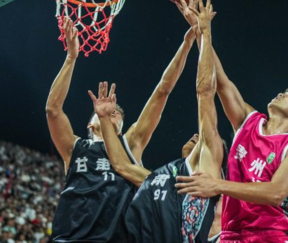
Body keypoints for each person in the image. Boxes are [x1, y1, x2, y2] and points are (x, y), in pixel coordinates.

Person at [174, 0, 288, 242]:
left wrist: (217, 185)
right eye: (285, 90)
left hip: (271, 236)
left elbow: (275, 193)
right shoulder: (249, 121)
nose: (282, 93)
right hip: (231, 235)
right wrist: (203, 31)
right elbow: (219, 78)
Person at [45, 14, 197, 242]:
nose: (115, 111)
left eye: (119, 115)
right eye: (110, 112)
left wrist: (187, 42)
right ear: (91, 123)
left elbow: (162, 91)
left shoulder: (131, 144)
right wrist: (71, 57)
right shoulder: (74, 147)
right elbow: (52, 110)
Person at [89, 0, 224, 242]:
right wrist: (105, 118)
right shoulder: (165, 177)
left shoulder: (206, 171)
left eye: (203, 138)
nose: (196, 137)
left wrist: (204, 32)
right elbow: (121, 166)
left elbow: (204, 92)